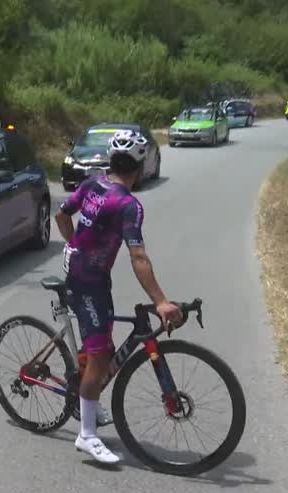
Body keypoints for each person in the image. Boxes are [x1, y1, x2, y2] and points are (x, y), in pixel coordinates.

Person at [54, 129, 183, 464]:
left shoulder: (91, 183)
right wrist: (161, 301)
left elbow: (61, 214)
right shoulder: (128, 206)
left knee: (104, 348)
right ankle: (86, 435)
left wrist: (72, 245)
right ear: (140, 166)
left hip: (92, 280)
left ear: (112, 160)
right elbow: (138, 258)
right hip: (87, 284)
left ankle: (87, 397)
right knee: (100, 358)